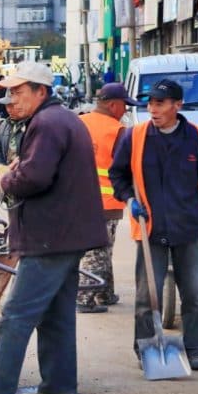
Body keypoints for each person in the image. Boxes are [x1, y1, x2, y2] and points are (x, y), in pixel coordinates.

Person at [0, 61, 107, 394]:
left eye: (19, 92)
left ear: (41, 91)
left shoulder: (47, 123)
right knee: (56, 315)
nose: (12, 99)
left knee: (17, 315)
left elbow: (34, 177)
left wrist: (5, 176)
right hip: (66, 233)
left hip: (51, 235)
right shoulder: (60, 119)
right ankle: (58, 388)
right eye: (9, 92)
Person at [109, 79, 198, 371]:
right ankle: (146, 348)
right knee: (149, 295)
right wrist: (129, 199)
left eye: (160, 103)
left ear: (177, 106)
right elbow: (117, 175)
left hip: (188, 227)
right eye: (150, 104)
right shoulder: (136, 136)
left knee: (194, 293)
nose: (152, 109)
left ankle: (196, 350)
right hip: (151, 228)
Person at [75, 83, 140, 314]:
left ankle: (105, 292)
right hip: (105, 201)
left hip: (76, 199)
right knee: (99, 250)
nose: (125, 111)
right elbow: (126, 168)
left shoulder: (79, 122)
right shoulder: (118, 130)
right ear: (113, 104)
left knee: (102, 248)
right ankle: (85, 297)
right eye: (124, 106)